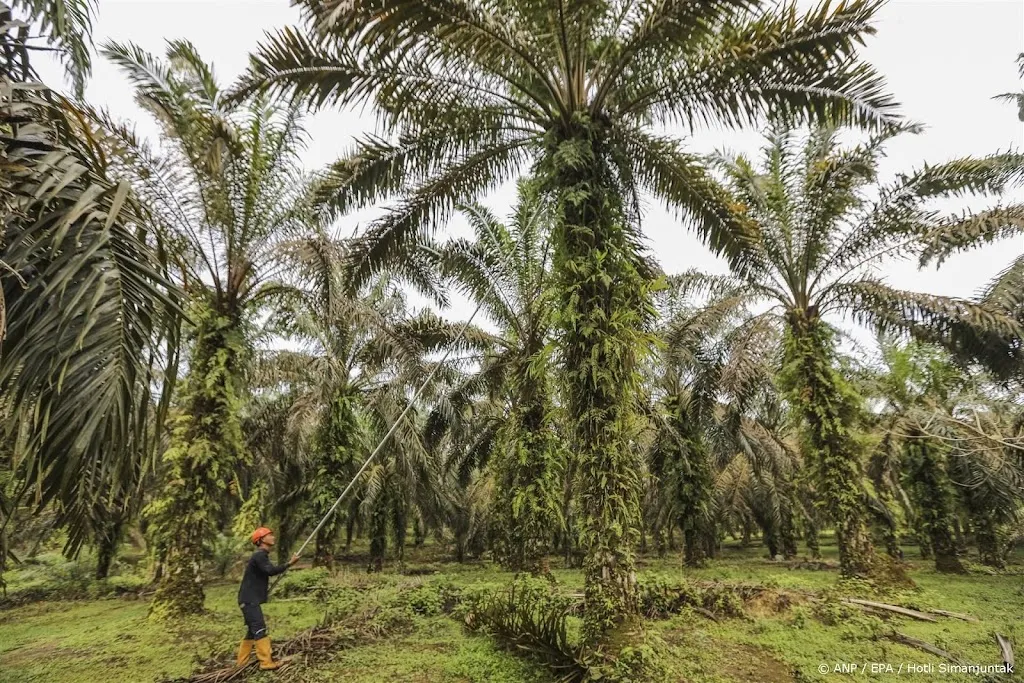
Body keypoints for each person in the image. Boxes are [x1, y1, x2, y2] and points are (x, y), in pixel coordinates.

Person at [235, 527, 299, 670]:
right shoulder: (259, 556)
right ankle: (265, 662)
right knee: (259, 628)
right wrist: (290, 563)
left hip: (248, 599)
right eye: (270, 535)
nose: (273, 537)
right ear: (261, 540)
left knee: (252, 631)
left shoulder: (261, 556)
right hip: (249, 599)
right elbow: (270, 571)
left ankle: (241, 663)